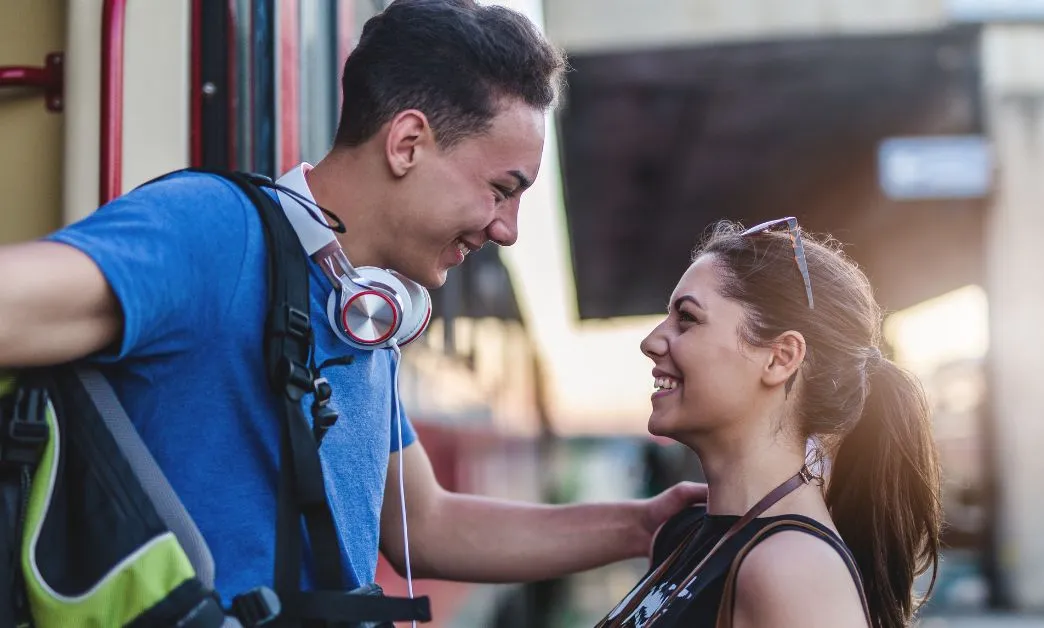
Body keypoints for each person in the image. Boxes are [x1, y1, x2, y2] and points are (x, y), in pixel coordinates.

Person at [0, 0, 704, 611]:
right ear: (406, 143)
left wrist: (642, 526)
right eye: (500, 188)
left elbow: (424, 526)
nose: (507, 229)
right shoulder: (216, 233)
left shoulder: (360, 314)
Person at [598, 219, 942, 628]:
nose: (651, 342)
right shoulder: (684, 537)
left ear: (780, 358)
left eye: (687, 318)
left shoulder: (793, 571)